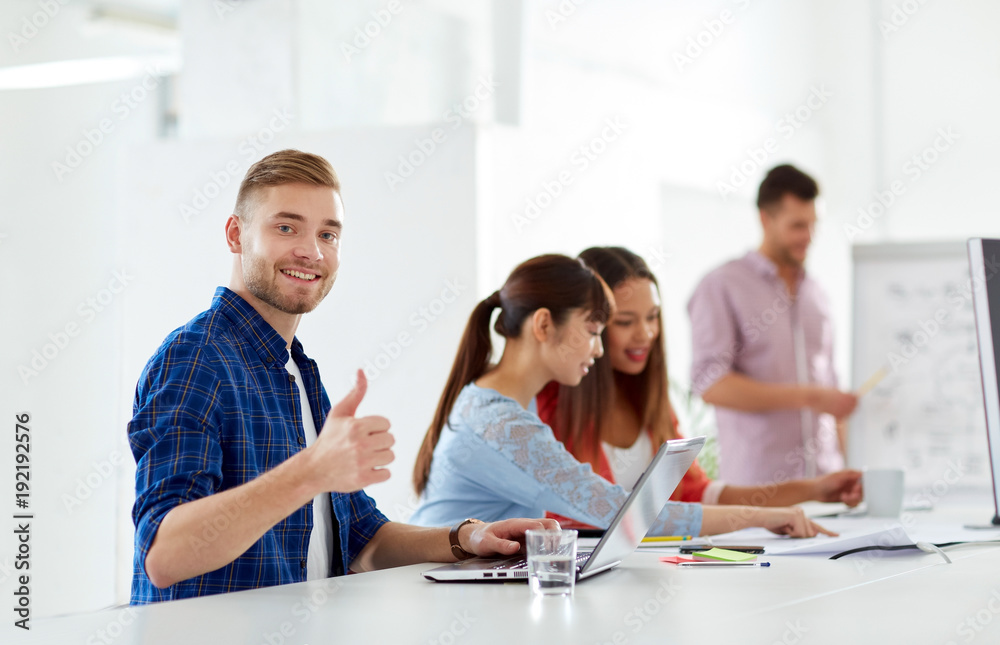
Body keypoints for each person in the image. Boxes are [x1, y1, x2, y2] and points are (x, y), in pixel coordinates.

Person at [127, 149, 556, 604]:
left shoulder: (298, 370)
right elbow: (163, 554)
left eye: (328, 234)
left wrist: (469, 538)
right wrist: (311, 472)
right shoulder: (195, 358)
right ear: (236, 234)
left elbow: (363, 540)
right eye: (286, 227)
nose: (311, 252)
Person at [408, 254, 835, 538]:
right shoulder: (502, 423)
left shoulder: (498, 404)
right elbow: (621, 511)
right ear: (543, 326)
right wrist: (763, 518)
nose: (599, 348)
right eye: (594, 332)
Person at [536, 246, 862, 510]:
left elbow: (700, 494)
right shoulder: (547, 403)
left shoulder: (652, 403)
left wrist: (814, 489)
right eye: (625, 322)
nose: (646, 334)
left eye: (652, 317)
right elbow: (588, 516)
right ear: (591, 324)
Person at [688, 164, 859, 486]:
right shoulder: (721, 285)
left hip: (826, 485)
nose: (808, 237)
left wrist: (851, 469)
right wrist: (809, 397)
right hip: (758, 492)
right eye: (797, 225)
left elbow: (832, 390)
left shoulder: (817, 293)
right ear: (765, 219)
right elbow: (709, 383)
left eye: (813, 225)